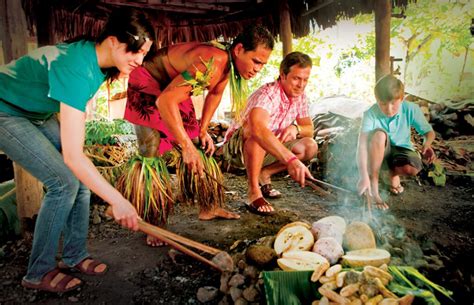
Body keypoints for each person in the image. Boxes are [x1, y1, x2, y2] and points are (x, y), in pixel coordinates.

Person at [0, 9, 154, 292]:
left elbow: (75, 142)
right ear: (112, 41)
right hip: (6, 111)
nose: (140, 61)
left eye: (144, 53)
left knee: (79, 181)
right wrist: (117, 199)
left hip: (35, 112)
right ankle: (38, 272)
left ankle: (73, 256)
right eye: (135, 51)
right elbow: (72, 157)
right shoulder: (77, 66)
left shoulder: (99, 63)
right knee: (63, 182)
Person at [123, 25, 275, 239]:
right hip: (148, 81)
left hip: (172, 84)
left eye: (263, 64)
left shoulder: (227, 65)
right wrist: (184, 146)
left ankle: (208, 207)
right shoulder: (214, 61)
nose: (258, 69)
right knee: (151, 150)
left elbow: (214, 94)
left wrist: (203, 129)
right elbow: (165, 100)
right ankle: (153, 223)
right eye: (256, 61)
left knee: (199, 144)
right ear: (239, 49)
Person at [222, 51, 318, 215]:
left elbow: (309, 129)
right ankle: (253, 192)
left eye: (305, 80)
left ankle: (264, 174)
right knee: (256, 133)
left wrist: (296, 128)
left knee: (310, 146)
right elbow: (257, 129)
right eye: (296, 78)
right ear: (282, 75)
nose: (301, 85)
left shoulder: (301, 97)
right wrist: (292, 160)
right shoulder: (268, 94)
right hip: (237, 151)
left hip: (269, 149)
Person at [357, 74, 435, 209]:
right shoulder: (370, 113)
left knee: (412, 168)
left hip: (400, 151)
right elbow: (362, 145)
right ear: (376, 100)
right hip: (377, 150)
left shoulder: (411, 109)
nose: (388, 109)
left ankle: (392, 174)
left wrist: (426, 144)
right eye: (382, 104)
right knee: (379, 135)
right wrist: (363, 176)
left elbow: (429, 132)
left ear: (402, 98)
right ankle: (374, 187)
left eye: (394, 103)